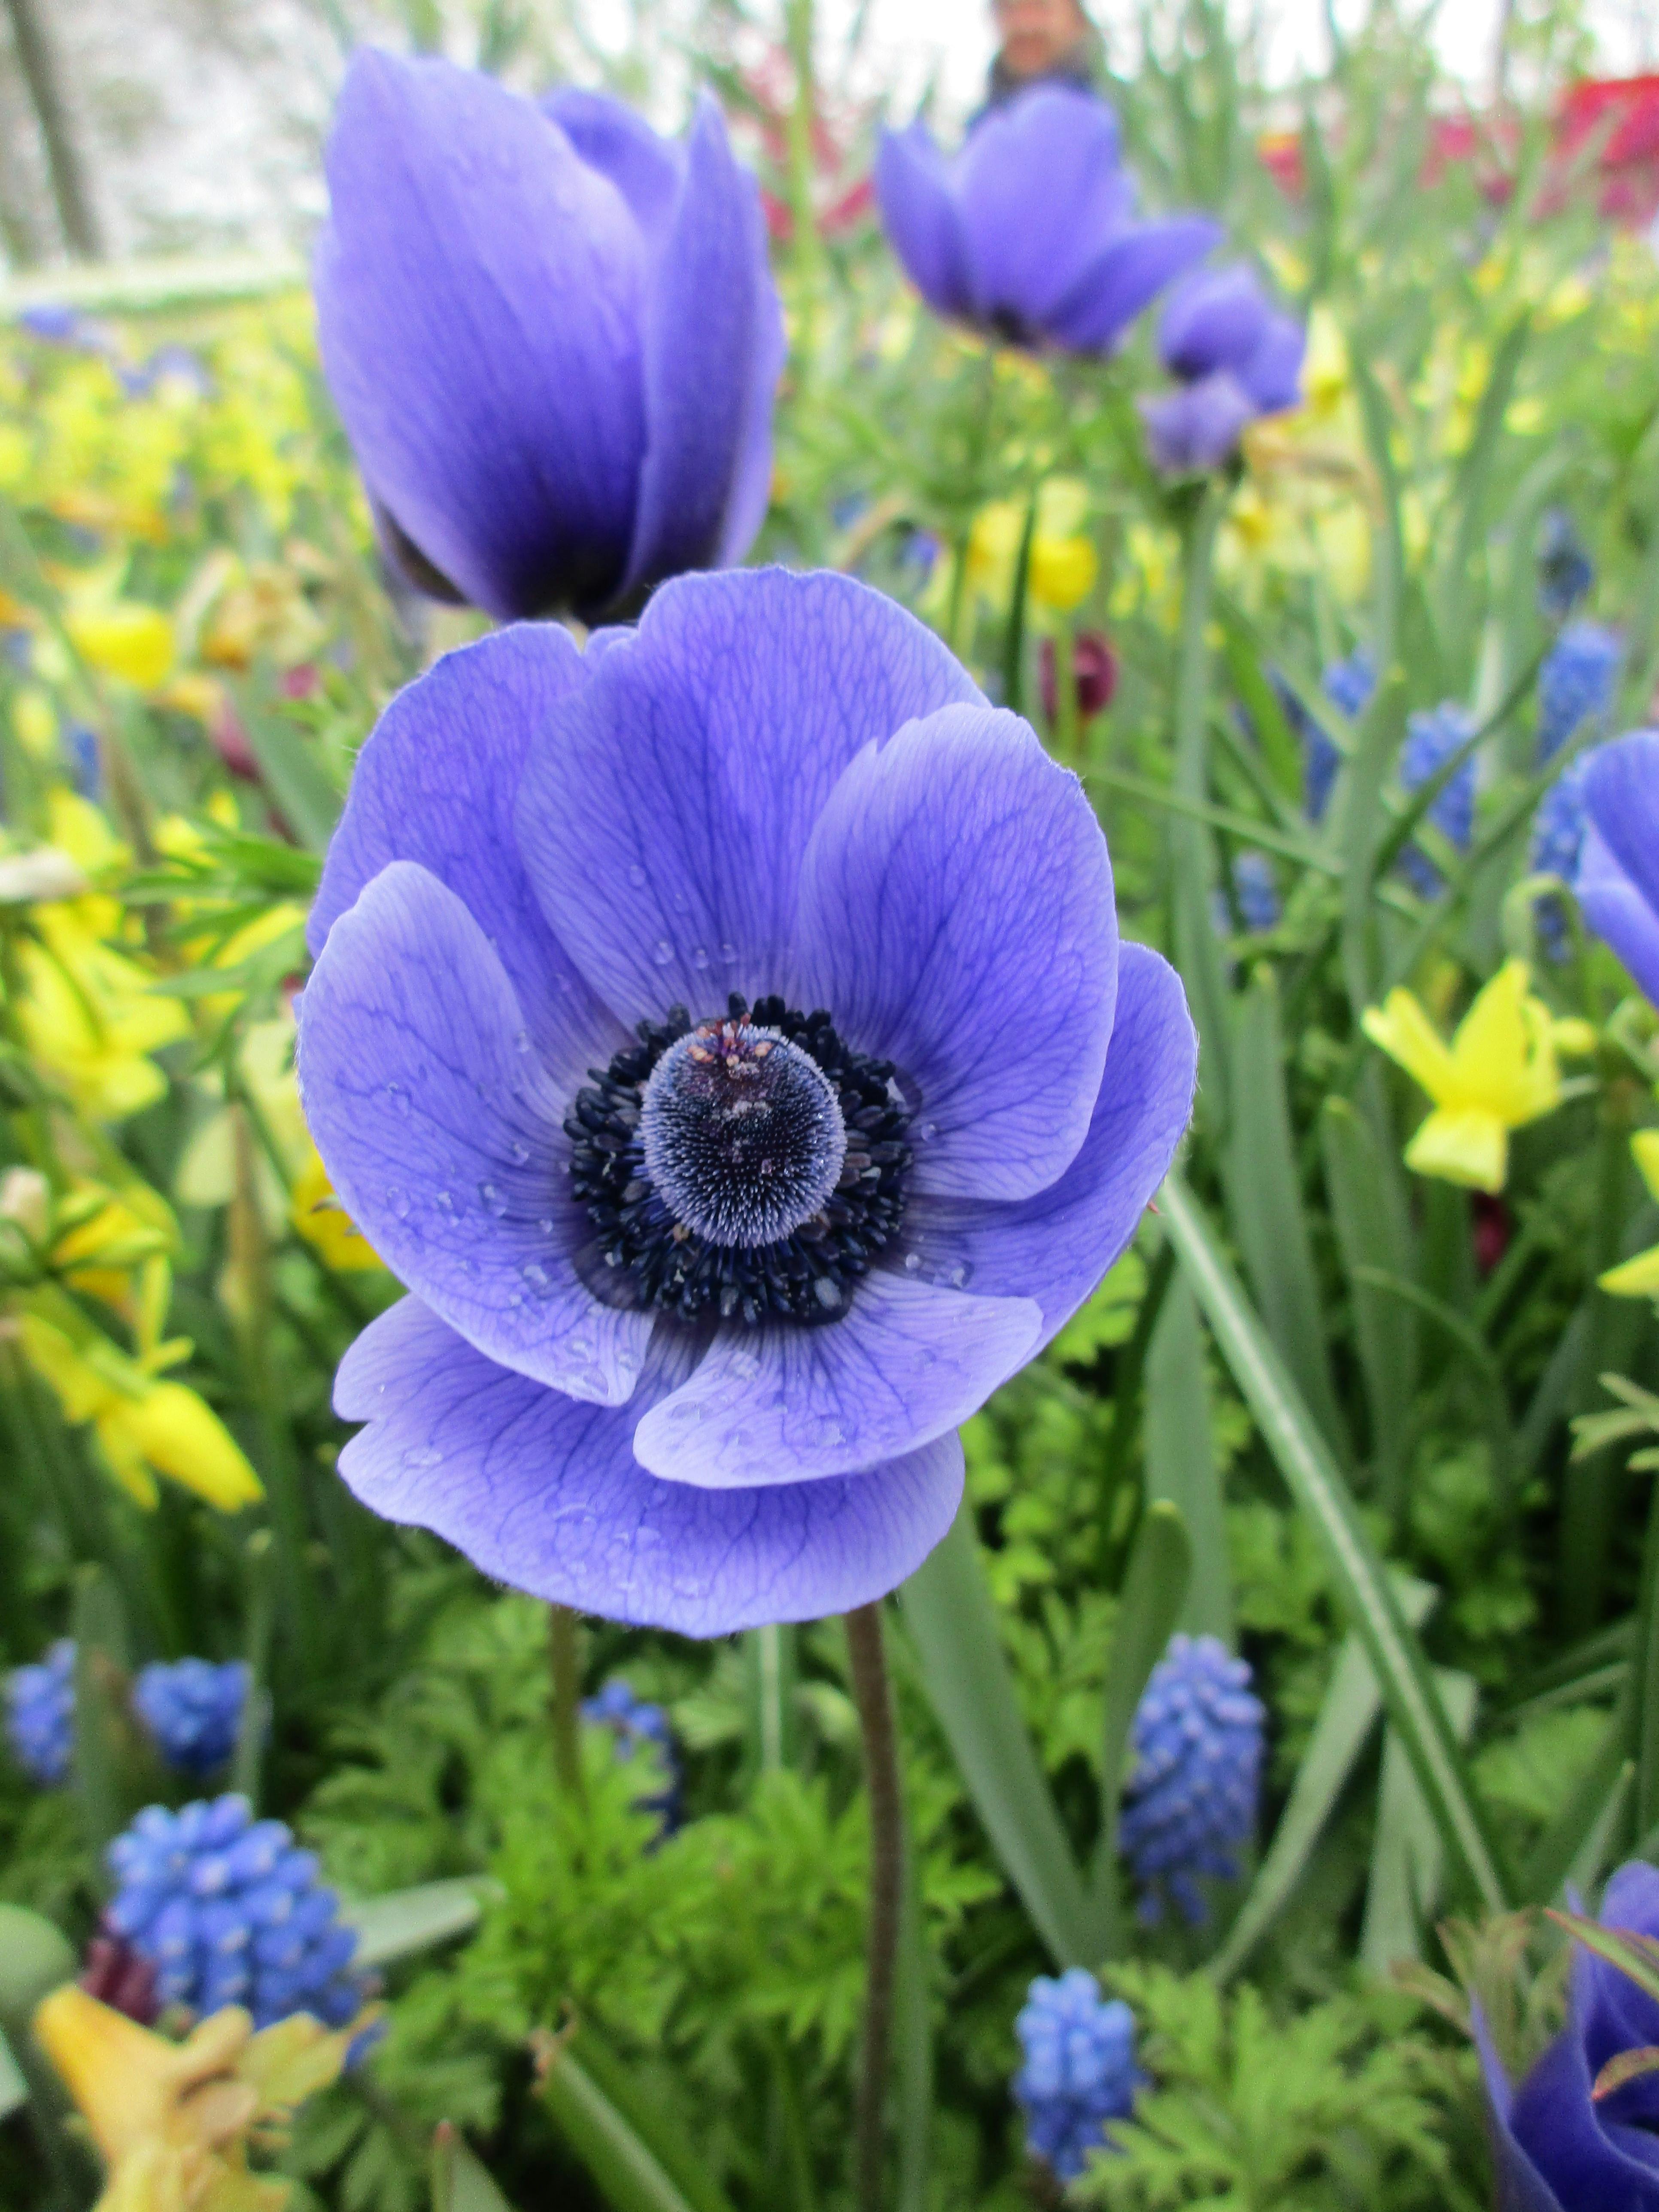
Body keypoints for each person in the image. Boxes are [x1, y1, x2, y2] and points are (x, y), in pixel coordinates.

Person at [982, 0, 1103, 112]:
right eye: (1010, 8)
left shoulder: (1106, 109)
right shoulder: (982, 124)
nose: (1026, 26)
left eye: (1041, 5)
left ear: (1077, 19)